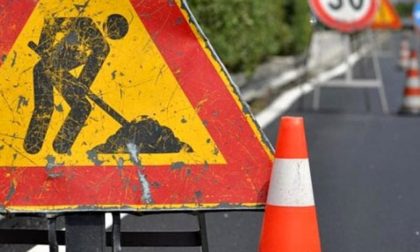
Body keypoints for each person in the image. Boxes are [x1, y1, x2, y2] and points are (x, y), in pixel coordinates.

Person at [24, 14, 128, 154]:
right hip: (44, 67)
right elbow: (51, 22)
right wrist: (45, 47)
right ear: (106, 21)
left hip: (62, 76)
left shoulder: (102, 48)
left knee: (82, 106)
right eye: (112, 27)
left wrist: (80, 86)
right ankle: (33, 143)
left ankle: (61, 145)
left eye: (115, 32)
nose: (110, 32)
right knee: (45, 105)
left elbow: (87, 77)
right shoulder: (84, 23)